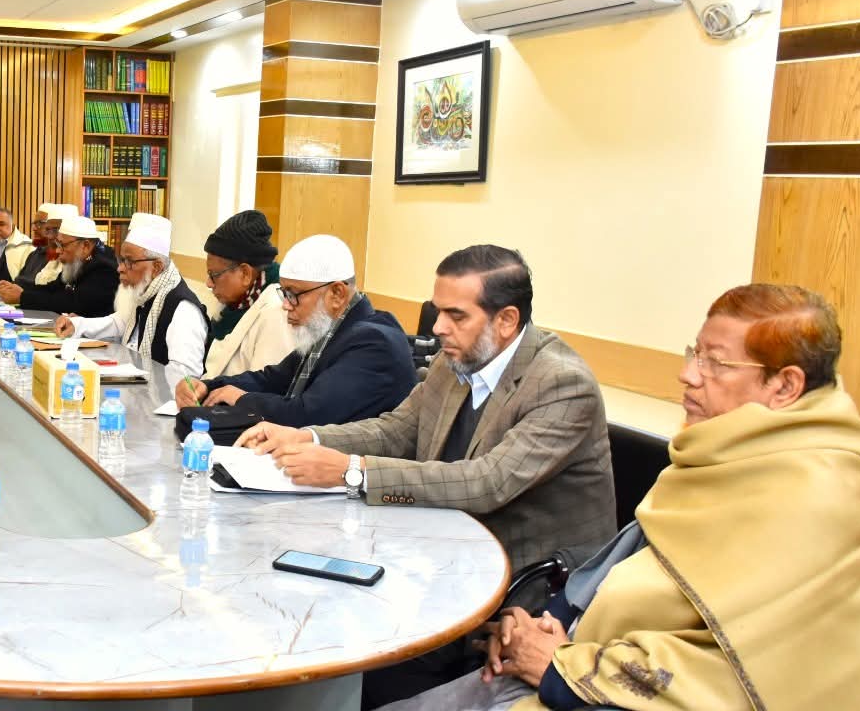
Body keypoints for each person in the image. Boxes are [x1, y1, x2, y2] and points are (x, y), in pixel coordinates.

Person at [382, 284, 860, 711]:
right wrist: (548, 620)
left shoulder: (818, 495)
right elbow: (640, 559)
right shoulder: (732, 452)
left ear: (785, 386)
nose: (688, 374)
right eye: (694, 353)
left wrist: (565, 667)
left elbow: (744, 670)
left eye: (716, 363)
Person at [236, 245, 614, 574]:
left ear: (506, 320)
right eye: (438, 312)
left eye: (456, 316)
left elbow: (487, 482)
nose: (439, 328)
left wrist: (352, 471)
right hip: (441, 549)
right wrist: (307, 437)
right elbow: (396, 430)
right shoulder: (455, 360)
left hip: (532, 581)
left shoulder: (562, 384)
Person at [178, 234, 413, 428]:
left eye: (293, 294)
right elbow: (271, 379)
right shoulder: (329, 329)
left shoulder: (374, 343)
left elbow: (308, 414)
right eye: (284, 293)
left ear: (337, 294)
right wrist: (209, 386)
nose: (285, 305)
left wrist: (241, 398)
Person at [55, 213, 207, 384]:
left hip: (155, 395)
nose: (120, 268)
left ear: (156, 267)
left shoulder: (183, 310)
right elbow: (120, 322)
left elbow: (184, 378)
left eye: (129, 261)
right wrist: (77, 325)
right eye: (121, 260)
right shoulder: (146, 291)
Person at [200, 210, 293, 378]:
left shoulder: (275, 312)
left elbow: (263, 388)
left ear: (245, 274)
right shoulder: (235, 302)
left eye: (214, 275)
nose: (209, 283)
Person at [0, 214, 118, 316]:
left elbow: (71, 302)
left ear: (85, 246)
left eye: (62, 245)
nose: (58, 251)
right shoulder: (79, 260)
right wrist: (19, 289)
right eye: (58, 244)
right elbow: (53, 288)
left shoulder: (104, 268)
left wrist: (22, 297)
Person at [16, 203, 76, 286]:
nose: (34, 228)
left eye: (39, 223)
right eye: (48, 229)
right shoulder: (35, 254)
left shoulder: (78, 261)